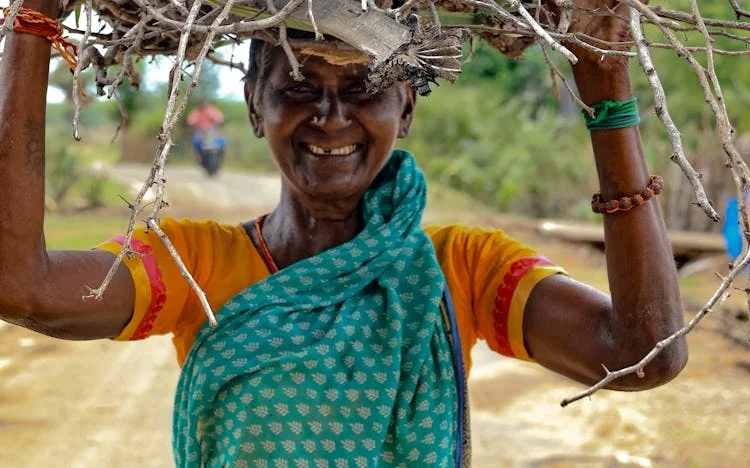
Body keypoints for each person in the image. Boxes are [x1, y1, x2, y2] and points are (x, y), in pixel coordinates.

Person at [0, 0, 687, 466]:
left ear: (407, 108)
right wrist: (32, 26)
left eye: (365, 87)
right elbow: (22, 285)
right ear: (253, 106)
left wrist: (606, 84)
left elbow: (644, 353)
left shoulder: (462, 270)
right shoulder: (196, 266)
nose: (332, 117)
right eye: (299, 85)